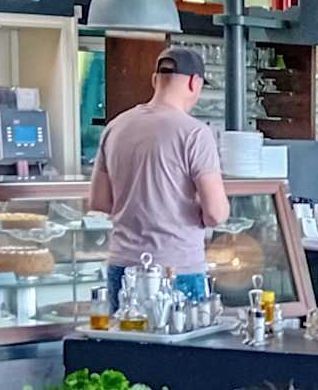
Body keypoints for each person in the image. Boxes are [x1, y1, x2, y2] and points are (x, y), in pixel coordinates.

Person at [89, 46, 230, 305]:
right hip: (177, 268)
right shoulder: (195, 133)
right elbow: (216, 214)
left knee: (126, 332)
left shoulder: (116, 127)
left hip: (123, 266)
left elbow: (99, 202)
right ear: (194, 83)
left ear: (155, 80)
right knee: (179, 333)